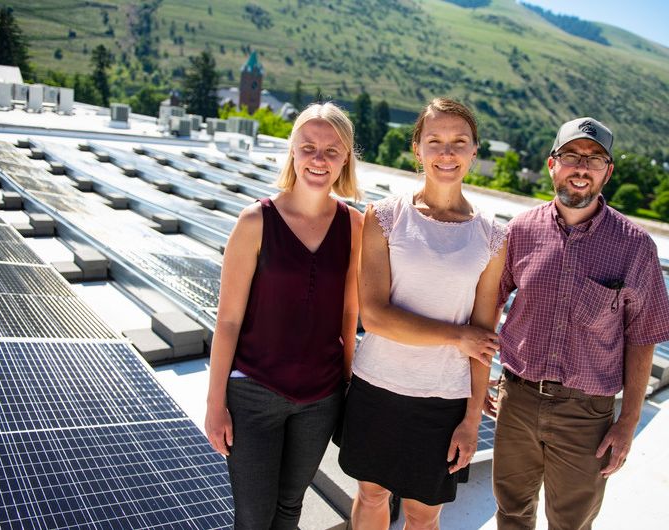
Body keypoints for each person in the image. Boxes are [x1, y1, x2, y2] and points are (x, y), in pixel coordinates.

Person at [490, 117, 669, 529]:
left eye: (595, 159)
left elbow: (643, 337)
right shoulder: (520, 231)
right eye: (572, 155)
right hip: (517, 400)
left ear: (608, 172)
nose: (582, 167)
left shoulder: (635, 247)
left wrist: (627, 421)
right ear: (552, 164)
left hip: (586, 414)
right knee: (511, 512)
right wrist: (485, 383)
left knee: (571, 523)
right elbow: (488, 307)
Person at [338, 98, 508, 530]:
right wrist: (457, 336)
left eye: (458, 142)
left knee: (422, 514)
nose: (446, 153)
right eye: (434, 141)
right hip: (377, 385)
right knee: (371, 493)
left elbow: (483, 337)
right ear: (417, 149)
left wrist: (471, 420)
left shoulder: (492, 236)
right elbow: (374, 316)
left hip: (443, 401)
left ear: (474, 151)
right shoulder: (385, 216)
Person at [204, 102, 363, 530]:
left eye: (332, 150)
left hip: (320, 399)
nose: (319, 158)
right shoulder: (255, 220)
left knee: (290, 508)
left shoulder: (355, 226)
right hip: (253, 393)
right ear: (292, 151)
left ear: (345, 157)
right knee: (254, 517)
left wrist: (345, 386)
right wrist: (215, 402)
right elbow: (229, 322)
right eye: (308, 146)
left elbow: (350, 312)